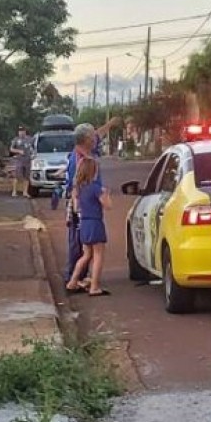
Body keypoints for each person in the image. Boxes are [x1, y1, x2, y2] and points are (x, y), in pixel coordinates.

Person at [59, 117, 122, 285]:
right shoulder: (79, 160)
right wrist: (78, 208)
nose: (96, 139)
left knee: (84, 245)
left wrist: (109, 124)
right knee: (79, 243)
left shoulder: (85, 152)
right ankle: (75, 277)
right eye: (92, 137)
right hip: (83, 208)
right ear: (86, 140)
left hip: (87, 206)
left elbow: (98, 133)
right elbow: (75, 187)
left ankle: (78, 277)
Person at [65, 158, 111, 297]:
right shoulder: (95, 188)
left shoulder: (78, 188)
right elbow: (108, 206)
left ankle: (72, 281)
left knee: (86, 255)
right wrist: (106, 194)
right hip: (95, 222)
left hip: (83, 223)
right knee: (98, 256)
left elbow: (76, 207)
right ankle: (95, 286)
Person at [9, 125, 34, 197]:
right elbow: (11, 149)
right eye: (20, 131)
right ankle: (14, 191)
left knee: (27, 176)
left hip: (28, 160)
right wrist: (18, 151)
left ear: (25, 131)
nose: (21, 133)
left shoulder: (30, 139)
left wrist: (32, 155)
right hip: (19, 160)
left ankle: (25, 192)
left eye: (22, 131)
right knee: (17, 176)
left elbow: (33, 148)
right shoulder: (16, 140)